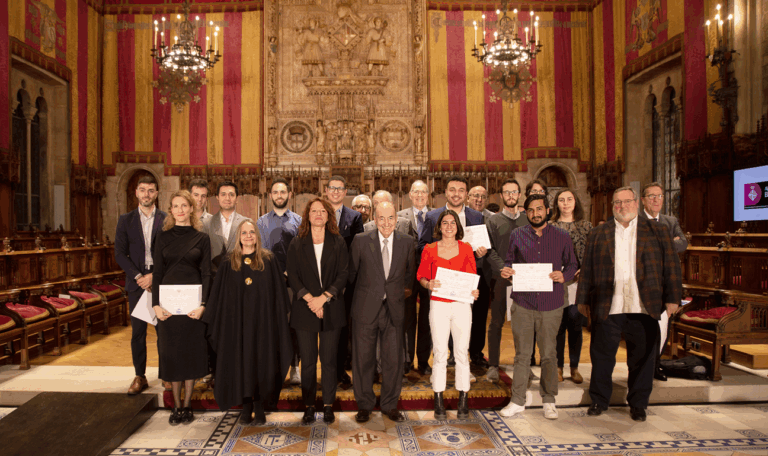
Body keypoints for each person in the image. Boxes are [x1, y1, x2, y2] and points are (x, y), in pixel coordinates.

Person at [577, 186, 682, 422]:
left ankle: (638, 404)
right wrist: (582, 300)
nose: (621, 207)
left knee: (642, 359)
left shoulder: (658, 231)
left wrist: (673, 297)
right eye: (616, 203)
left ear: (636, 203)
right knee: (602, 357)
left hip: (644, 306)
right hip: (608, 305)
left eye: (626, 202)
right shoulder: (598, 233)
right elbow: (588, 271)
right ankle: (599, 400)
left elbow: (672, 267)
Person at [204, 219, 293, 425]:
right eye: (244, 233)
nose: (248, 236)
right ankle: (245, 406)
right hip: (237, 326)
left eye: (252, 232)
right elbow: (219, 297)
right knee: (240, 363)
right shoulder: (228, 262)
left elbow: (279, 296)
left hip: (263, 325)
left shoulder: (268, 260)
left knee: (262, 362)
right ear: (239, 236)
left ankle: (260, 405)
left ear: (257, 235)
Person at [498, 194, 577, 420]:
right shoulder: (517, 234)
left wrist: (564, 275)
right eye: (531, 210)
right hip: (523, 302)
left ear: (548, 210)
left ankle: (549, 400)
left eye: (539, 209)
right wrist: (507, 271)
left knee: (549, 354)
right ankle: (517, 401)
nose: (535, 214)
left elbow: (572, 264)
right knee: (522, 355)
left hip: (551, 303)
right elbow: (509, 262)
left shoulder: (561, 236)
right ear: (526, 213)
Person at [348, 201, 415, 423]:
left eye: (390, 218)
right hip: (365, 309)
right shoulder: (360, 241)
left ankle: (389, 405)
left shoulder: (407, 242)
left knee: (393, 360)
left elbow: (409, 276)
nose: (386, 223)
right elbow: (352, 275)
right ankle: (364, 405)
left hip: (394, 309)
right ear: (374, 220)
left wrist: (396, 295)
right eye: (381, 218)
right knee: (363, 359)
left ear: (397, 219)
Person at [286, 198, 350, 425]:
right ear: (307, 215)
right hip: (305, 309)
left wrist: (323, 298)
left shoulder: (338, 241)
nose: (318, 214)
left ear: (328, 216)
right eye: (314, 211)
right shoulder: (297, 242)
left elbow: (344, 273)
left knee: (330, 360)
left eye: (323, 211)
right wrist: (311, 301)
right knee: (309, 361)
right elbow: (292, 275)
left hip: (332, 307)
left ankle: (329, 405)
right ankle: (309, 405)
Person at [151, 190, 211, 425]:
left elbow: (206, 274)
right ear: (171, 210)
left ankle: (187, 405)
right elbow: (157, 273)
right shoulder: (162, 237)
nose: (180, 210)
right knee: (172, 354)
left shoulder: (201, 238)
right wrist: (155, 304)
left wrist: (203, 305)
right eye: (175, 206)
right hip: (167, 307)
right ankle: (176, 405)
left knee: (189, 354)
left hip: (192, 307)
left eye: (184, 205)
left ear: (191, 209)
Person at [418, 175, 487, 370]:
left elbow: (478, 245)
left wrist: (481, 252)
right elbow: (423, 245)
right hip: (440, 279)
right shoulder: (432, 216)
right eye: (452, 190)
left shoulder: (476, 216)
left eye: (460, 190)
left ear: (466, 194)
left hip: (467, 277)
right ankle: (443, 357)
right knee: (439, 320)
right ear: (446, 192)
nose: (456, 194)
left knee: (466, 318)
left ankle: (466, 354)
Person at [417, 210, 480, 420]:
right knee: (440, 352)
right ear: (439, 226)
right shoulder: (430, 249)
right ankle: (438, 398)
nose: (449, 226)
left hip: (462, 305)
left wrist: (474, 290)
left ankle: (463, 398)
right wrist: (428, 283)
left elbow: (472, 277)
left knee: (462, 352)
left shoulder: (466, 248)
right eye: (445, 223)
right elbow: (422, 277)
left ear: (458, 226)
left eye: (453, 223)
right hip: (439, 305)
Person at [114, 175, 166, 395]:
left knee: (164, 332)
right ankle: (140, 376)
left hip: (160, 283)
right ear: (136, 193)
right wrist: (138, 276)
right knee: (138, 333)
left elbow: (169, 253)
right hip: (136, 285)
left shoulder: (166, 219)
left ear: (156, 193)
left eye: (151, 190)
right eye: (142, 190)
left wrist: (154, 276)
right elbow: (120, 253)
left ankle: (167, 375)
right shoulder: (125, 220)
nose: (147, 194)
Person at [257, 177, 303, 386]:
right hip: (270, 282)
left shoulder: (300, 221)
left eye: (283, 192)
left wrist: (289, 272)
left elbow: (302, 252)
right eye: (275, 192)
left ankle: (294, 367)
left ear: (289, 195)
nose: (279, 196)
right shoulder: (261, 222)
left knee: (294, 326)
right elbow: (260, 253)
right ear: (270, 196)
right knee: (273, 326)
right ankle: (273, 367)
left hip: (293, 282)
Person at [640, 182, 687, 382]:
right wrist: (667, 243)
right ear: (643, 200)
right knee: (643, 331)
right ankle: (642, 368)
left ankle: (656, 365)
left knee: (663, 327)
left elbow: (683, 243)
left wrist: (659, 244)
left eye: (659, 196)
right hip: (642, 283)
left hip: (664, 282)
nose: (656, 200)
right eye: (651, 196)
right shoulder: (636, 220)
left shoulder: (670, 220)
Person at [484, 179, 529, 382]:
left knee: (524, 324)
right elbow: (489, 249)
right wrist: (502, 268)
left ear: (519, 195)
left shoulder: (528, 220)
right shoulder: (493, 221)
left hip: (524, 279)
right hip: (500, 278)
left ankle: (524, 366)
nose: (511, 195)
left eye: (514, 192)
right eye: (507, 192)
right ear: (501, 196)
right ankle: (493, 364)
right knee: (496, 322)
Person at [550, 189, 592, 384]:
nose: (565, 203)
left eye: (569, 199)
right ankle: (557, 367)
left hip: (578, 282)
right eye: (561, 200)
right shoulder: (550, 226)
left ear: (576, 202)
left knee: (575, 326)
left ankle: (574, 367)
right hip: (556, 282)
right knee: (557, 326)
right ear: (556, 204)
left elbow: (592, 254)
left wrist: (583, 270)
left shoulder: (586, 226)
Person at [325, 175, 364, 386]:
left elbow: (357, 251)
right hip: (320, 282)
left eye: (340, 189)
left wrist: (348, 280)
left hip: (345, 284)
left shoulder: (354, 217)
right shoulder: (318, 213)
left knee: (341, 329)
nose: (336, 192)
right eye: (332, 188)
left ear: (345, 192)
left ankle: (340, 371)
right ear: (326, 190)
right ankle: (324, 372)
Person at [398, 180, 432, 375]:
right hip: (407, 274)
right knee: (407, 319)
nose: (419, 195)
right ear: (409, 195)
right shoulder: (400, 216)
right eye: (415, 192)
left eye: (423, 192)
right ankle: (407, 359)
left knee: (427, 319)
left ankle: (424, 361)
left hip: (429, 275)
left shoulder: (436, 216)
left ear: (428, 195)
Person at [523, 179, 549, 366]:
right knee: (527, 327)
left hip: (549, 286)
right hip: (526, 284)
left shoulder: (555, 231)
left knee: (548, 329)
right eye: (533, 192)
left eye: (540, 192)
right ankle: (529, 359)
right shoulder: (520, 232)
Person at [467, 185, 493, 368]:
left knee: (480, 316)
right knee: (461, 314)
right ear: (468, 197)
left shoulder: (493, 219)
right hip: (464, 272)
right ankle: (456, 353)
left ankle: (476, 352)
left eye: (482, 196)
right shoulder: (461, 216)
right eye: (475, 196)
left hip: (485, 273)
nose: (479, 199)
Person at [204, 181, 248, 274]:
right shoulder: (206, 223)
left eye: (231, 194)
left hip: (240, 274)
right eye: (223, 194)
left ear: (237, 198)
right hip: (214, 277)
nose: (227, 198)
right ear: (217, 197)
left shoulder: (246, 223)